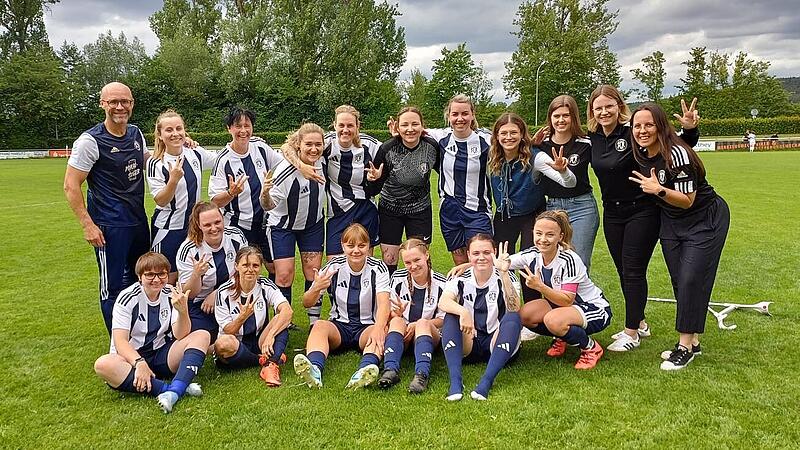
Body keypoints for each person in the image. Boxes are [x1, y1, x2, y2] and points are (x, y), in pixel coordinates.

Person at [586, 85, 699, 352]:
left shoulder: (633, 131)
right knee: (624, 271)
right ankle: (641, 321)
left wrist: (691, 130)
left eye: (609, 106)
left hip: (643, 209)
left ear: (619, 106)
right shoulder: (591, 137)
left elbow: (673, 146)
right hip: (612, 212)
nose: (604, 112)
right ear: (592, 111)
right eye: (598, 107)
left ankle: (631, 332)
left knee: (634, 269)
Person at [629, 103, 729, 370]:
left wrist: (658, 189)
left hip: (703, 218)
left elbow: (687, 200)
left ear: (661, 126)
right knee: (679, 279)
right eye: (637, 125)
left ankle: (684, 346)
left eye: (649, 124)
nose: (642, 130)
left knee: (690, 278)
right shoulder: (641, 152)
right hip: (672, 222)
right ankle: (693, 342)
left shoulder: (678, 154)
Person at [64, 81, 150, 333]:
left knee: (141, 279)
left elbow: (148, 161)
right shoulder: (90, 141)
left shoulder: (136, 134)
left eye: (125, 101)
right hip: (109, 226)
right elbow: (71, 185)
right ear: (103, 104)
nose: (120, 107)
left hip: (138, 222)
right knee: (112, 286)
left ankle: (141, 334)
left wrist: (179, 142)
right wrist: (87, 224)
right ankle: (118, 346)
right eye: (113, 102)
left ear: (132, 104)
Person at [93, 252, 210, 414]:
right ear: (140, 277)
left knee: (202, 335)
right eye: (149, 275)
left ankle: (173, 392)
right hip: (130, 360)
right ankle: (173, 388)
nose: (156, 279)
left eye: (161, 274)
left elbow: (180, 334)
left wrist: (183, 312)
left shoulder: (170, 292)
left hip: (160, 355)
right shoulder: (127, 298)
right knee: (103, 364)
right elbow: (120, 341)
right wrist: (139, 363)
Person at [293, 223, 391, 390]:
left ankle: (363, 372)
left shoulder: (378, 267)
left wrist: (379, 328)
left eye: (362, 246)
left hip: (366, 327)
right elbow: (306, 302)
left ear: (368, 246)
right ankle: (314, 370)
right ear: (342, 246)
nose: (356, 251)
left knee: (383, 331)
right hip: (339, 327)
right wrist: (316, 287)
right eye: (350, 246)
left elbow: (384, 304)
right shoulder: (333, 266)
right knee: (319, 326)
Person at [510, 211, 612, 370]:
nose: (543, 239)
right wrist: (469, 265)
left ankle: (591, 348)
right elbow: (500, 263)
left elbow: (567, 300)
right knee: (525, 316)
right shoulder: (533, 254)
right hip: (562, 307)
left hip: (593, 308)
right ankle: (562, 336)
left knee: (553, 320)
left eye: (550, 234)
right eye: (538, 233)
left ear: (561, 236)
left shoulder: (569, 259)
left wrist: (540, 287)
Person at [438, 234, 522, 401]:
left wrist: (504, 273)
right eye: (476, 253)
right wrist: (464, 312)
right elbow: (444, 301)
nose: (481, 257)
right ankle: (455, 382)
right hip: (470, 341)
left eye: (486, 252)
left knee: (513, 318)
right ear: (468, 255)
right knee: (450, 316)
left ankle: (486, 382)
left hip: (497, 342)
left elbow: (515, 307)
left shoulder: (507, 276)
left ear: (494, 253)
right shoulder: (460, 278)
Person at [260, 123, 326, 326]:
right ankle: (282, 322)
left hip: (312, 225)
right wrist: (264, 193)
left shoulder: (322, 159)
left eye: (318, 144)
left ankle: (314, 323)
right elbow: (268, 205)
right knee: (284, 275)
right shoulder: (284, 172)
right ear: (299, 145)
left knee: (313, 273)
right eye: (308, 144)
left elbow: (286, 147)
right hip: (283, 227)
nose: (314, 149)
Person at [208, 106, 283, 273]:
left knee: (274, 268)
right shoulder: (223, 160)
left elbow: (283, 166)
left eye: (247, 125)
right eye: (238, 126)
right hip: (238, 226)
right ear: (229, 128)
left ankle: (269, 299)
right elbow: (214, 200)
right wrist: (231, 193)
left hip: (265, 223)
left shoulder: (260, 148)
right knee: (242, 270)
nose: (243, 130)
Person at [488, 111, 574, 255]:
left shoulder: (536, 157)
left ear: (522, 134)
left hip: (532, 216)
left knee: (530, 261)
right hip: (504, 216)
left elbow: (569, 183)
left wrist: (563, 171)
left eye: (513, 132)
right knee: (500, 259)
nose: (508, 137)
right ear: (497, 136)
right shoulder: (492, 157)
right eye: (503, 133)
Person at [424, 94, 494, 265]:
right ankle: (464, 292)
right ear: (448, 116)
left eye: (465, 114)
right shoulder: (441, 137)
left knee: (481, 259)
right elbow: (412, 131)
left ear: (472, 114)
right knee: (460, 260)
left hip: (478, 210)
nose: (460, 118)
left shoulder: (486, 140)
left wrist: (533, 143)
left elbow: (513, 141)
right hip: (449, 210)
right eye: (455, 114)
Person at [370, 107, 440, 273]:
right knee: (389, 259)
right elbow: (372, 189)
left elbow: (447, 170)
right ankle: (390, 297)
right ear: (397, 127)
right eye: (405, 125)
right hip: (390, 210)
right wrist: (375, 178)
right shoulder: (387, 149)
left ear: (422, 126)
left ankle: (422, 296)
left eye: (415, 124)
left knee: (419, 258)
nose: (410, 129)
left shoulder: (431, 147)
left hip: (420, 210)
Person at [147, 109, 215, 283]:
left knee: (194, 277)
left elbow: (222, 157)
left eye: (179, 128)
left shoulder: (195, 153)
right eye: (169, 130)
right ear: (160, 135)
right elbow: (161, 200)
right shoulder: (156, 162)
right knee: (167, 279)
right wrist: (173, 180)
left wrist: (250, 141)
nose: (175, 133)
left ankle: (188, 312)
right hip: (168, 230)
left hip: (194, 228)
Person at [377, 238, 448, 393]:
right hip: (403, 335)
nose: (413, 266)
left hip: (429, 335)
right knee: (396, 321)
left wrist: (417, 325)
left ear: (427, 255)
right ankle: (390, 370)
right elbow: (388, 313)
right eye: (408, 262)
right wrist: (397, 314)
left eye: (417, 260)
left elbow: (444, 320)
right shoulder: (397, 278)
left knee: (422, 322)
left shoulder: (442, 283)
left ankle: (421, 374)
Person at [214, 246, 293, 385]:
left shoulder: (265, 284)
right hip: (235, 346)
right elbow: (228, 331)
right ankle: (265, 360)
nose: (250, 269)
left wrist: (271, 335)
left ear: (261, 267)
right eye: (245, 265)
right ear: (236, 266)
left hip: (259, 342)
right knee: (222, 344)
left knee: (281, 320)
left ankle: (270, 366)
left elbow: (288, 311)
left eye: (255, 265)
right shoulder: (224, 292)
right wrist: (242, 317)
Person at [540, 95, 599, 272]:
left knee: (579, 261)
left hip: (582, 207)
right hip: (552, 207)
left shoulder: (586, 143)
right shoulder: (541, 145)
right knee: (553, 260)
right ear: (550, 118)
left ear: (573, 117)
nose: (561, 120)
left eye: (566, 115)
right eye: (556, 116)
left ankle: (580, 300)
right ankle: (555, 300)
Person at [176, 202, 248, 342]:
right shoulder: (189, 249)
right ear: (198, 224)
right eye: (208, 225)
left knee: (247, 331)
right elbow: (188, 293)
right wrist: (196, 275)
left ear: (223, 219)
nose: (214, 228)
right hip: (201, 304)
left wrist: (218, 293)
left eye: (217, 222)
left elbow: (247, 271)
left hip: (232, 295)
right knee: (204, 338)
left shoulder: (236, 236)